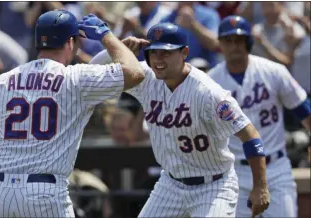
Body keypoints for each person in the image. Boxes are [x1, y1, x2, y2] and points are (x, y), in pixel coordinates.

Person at [0, 10, 144, 218]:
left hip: (0, 193)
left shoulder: (3, 81)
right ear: (71, 42)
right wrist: (108, 37)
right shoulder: (75, 79)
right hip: (43, 193)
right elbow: (135, 73)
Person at [90, 22, 270, 217]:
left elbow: (250, 135)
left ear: (184, 53)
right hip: (171, 183)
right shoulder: (145, 76)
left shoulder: (208, 92)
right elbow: (93, 72)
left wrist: (260, 186)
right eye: (153, 52)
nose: (158, 59)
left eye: (166, 52)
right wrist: (118, 47)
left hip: (213, 185)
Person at [208, 15, 311, 217]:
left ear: (248, 42)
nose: (234, 45)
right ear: (220, 44)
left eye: (239, 40)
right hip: (234, 172)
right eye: (228, 40)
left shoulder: (273, 71)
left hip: (276, 167)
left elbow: (304, 110)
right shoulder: (210, 81)